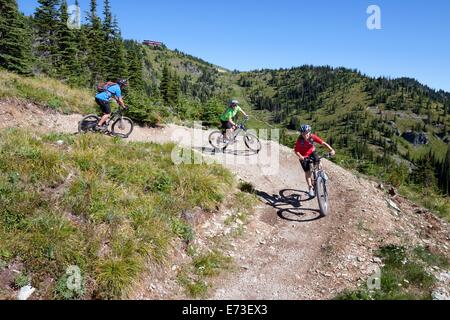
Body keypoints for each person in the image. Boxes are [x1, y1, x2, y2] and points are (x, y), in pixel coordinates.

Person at [294, 124, 336, 198]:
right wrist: (300, 156)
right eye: (303, 133)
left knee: (318, 160)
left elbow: (323, 143)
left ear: (309, 132)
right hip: (303, 156)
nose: (305, 134)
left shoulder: (312, 137)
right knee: (307, 172)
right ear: (301, 133)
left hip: (311, 152)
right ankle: (310, 187)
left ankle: (321, 173)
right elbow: (296, 150)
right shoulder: (299, 140)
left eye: (306, 132)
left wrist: (331, 150)